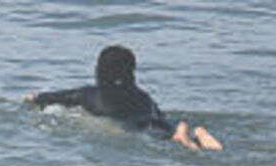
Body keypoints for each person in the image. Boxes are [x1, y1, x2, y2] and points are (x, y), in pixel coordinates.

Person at [27, 45, 222, 152]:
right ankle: (189, 133)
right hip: (153, 121)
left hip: (128, 126)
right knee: (163, 129)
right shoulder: (144, 96)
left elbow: (52, 98)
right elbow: (159, 115)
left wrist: (33, 98)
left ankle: (182, 134)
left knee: (136, 132)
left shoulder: (88, 93)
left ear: (100, 69)